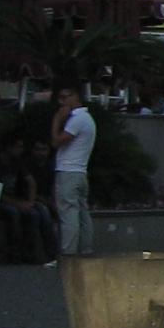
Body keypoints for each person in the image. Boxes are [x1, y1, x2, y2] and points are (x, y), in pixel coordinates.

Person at [50, 85, 97, 255]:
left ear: (76, 97)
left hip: (68, 171)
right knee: (82, 213)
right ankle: (85, 251)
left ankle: (68, 254)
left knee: (68, 214)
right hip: (80, 171)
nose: (61, 102)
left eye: (65, 97)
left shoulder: (77, 119)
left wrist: (57, 120)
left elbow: (56, 142)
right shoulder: (87, 118)